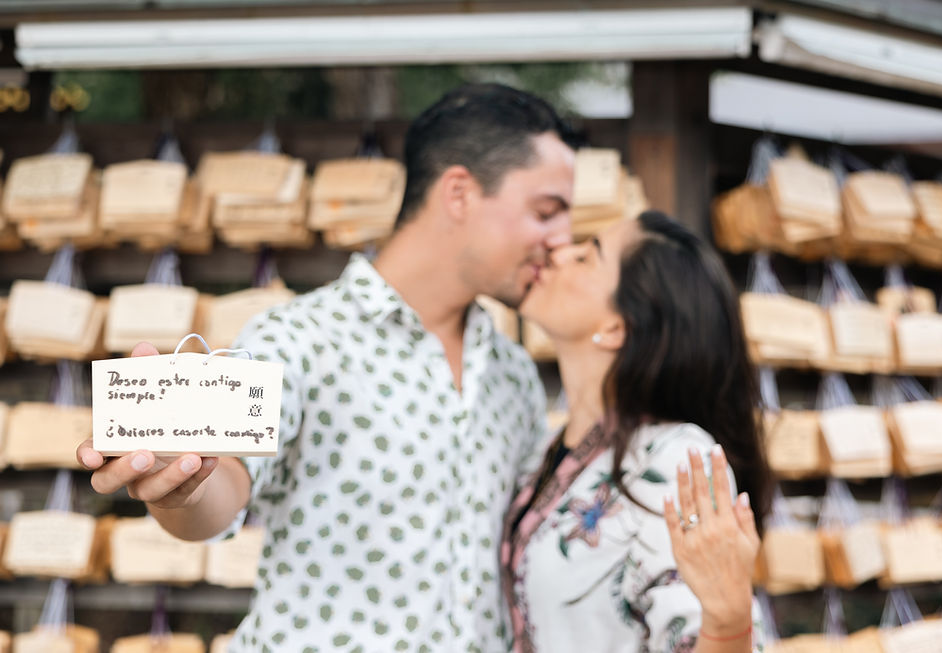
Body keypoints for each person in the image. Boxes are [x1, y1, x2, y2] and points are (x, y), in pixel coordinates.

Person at [77, 83, 577, 652]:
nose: (561, 240)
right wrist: (180, 484)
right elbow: (226, 487)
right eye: (546, 212)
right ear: (459, 193)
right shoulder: (300, 340)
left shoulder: (513, 372)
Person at [502, 210, 771, 653]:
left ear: (614, 328)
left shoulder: (674, 459)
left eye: (587, 257)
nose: (559, 252)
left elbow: (703, 631)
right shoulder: (549, 449)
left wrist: (727, 620)